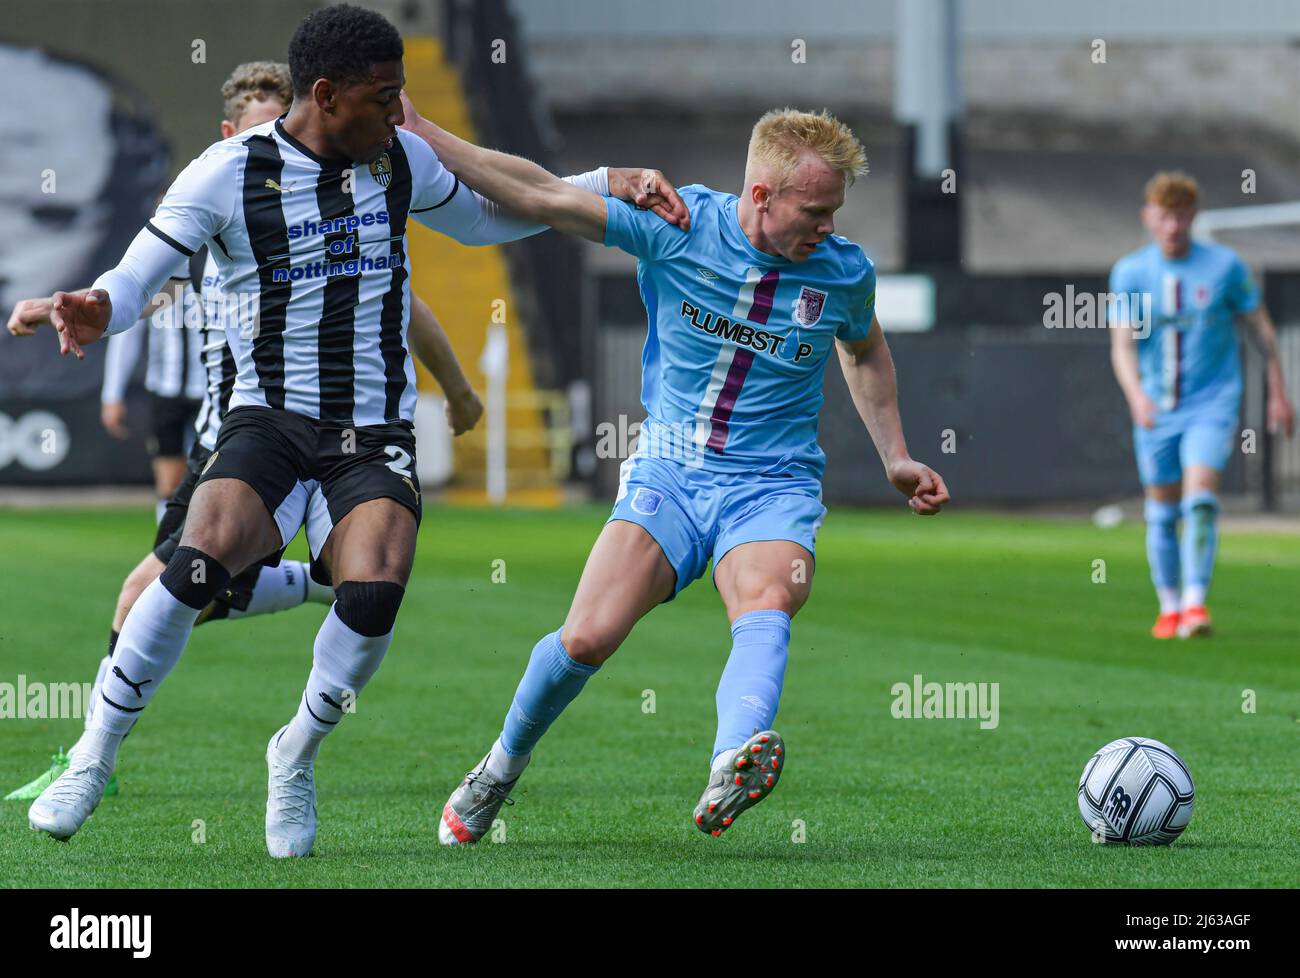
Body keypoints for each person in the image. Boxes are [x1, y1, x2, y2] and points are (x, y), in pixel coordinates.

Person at [22, 4, 685, 857]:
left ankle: (294, 752)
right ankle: (93, 753)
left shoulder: (398, 158)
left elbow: (496, 213)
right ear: (327, 95)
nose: (401, 112)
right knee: (197, 558)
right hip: (266, 417)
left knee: (373, 588)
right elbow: (133, 276)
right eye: (384, 97)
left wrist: (604, 181)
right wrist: (91, 306)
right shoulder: (226, 174)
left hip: (372, 432)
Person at [399, 102, 951, 843]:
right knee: (587, 638)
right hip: (673, 472)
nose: (827, 226)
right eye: (815, 211)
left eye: (834, 212)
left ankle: (732, 759)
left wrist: (897, 455)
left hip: (773, 484)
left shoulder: (844, 271)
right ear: (761, 195)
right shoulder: (678, 225)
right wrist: (428, 136)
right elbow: (540, 195)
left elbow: (863, 349)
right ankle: (499, 767)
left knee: (767, 599)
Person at [4, 60, 486, 804]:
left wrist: (456, 389)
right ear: (231, 136)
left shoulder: (335, 206)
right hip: (227, 431)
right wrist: (99, 327)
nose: (286, 150)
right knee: (182, 581)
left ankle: (98, 749)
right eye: (264, 133)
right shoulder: (215, 198)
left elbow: (407, 303)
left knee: (170, 586)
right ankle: (91, 754)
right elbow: (133, 290)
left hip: (309, 429)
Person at [1109, 172, 1295, 639]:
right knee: (1162, 512)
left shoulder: (1226, 267)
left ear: (1193, 217)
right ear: (1148, 218)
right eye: (1164, 215)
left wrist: (1278, 393)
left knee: (1202, 501)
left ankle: (1195, 603)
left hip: (1212, 402)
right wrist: (1136, 396)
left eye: (1181, 216)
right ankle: (1168, 606)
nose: (1172, 225)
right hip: (1156, 405)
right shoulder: (1131, 272)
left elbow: (1262, 329)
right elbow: (1122, 345)